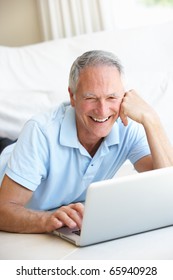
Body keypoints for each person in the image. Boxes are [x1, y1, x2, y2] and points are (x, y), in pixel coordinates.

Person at [0, 50, 173, 234]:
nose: (102, 110)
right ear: (72, 96)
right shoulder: (40, 132)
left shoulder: (127, 126)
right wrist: (47, 220)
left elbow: (168, 189)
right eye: (91, 98)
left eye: (112, 97)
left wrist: (151, 119)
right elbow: (3, 210)